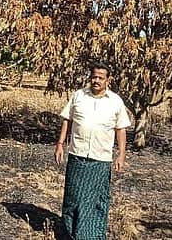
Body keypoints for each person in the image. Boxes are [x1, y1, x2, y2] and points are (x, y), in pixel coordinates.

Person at [54, 61, 131, 240]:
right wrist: (60, 143)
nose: (96, 80)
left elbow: (121, 129)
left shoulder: (115, 101)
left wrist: (121, 154)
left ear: (107, 80)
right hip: (77, 155)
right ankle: (68, 233)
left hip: (100, 159)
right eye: (94, 76)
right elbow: (67, 119)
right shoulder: (79, 96)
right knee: (73, 198)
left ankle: (90, 235)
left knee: (95, 201)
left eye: (100, 78)